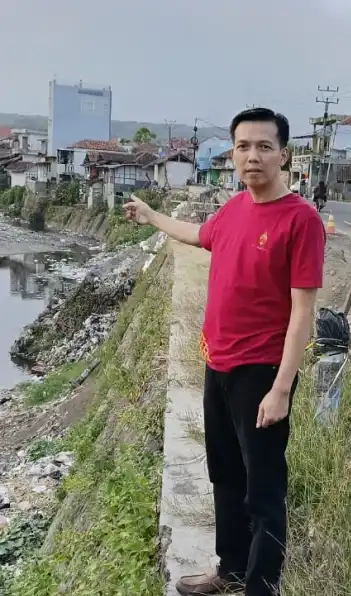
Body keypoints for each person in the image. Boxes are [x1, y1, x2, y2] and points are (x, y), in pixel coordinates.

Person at [123, 107, 326, 596]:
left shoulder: (301, 220)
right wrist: (151, 217)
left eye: (263, 146)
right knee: (226, 478)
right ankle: (231, 569)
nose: (252, 156)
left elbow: (302, 314)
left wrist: (281, 389)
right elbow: (198, 235)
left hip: (262, 373)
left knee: (264, 489)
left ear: (283, 154)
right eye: (243, 147)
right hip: (218, 365)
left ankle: (262, 585)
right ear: (232, 153)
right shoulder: (234, 209)